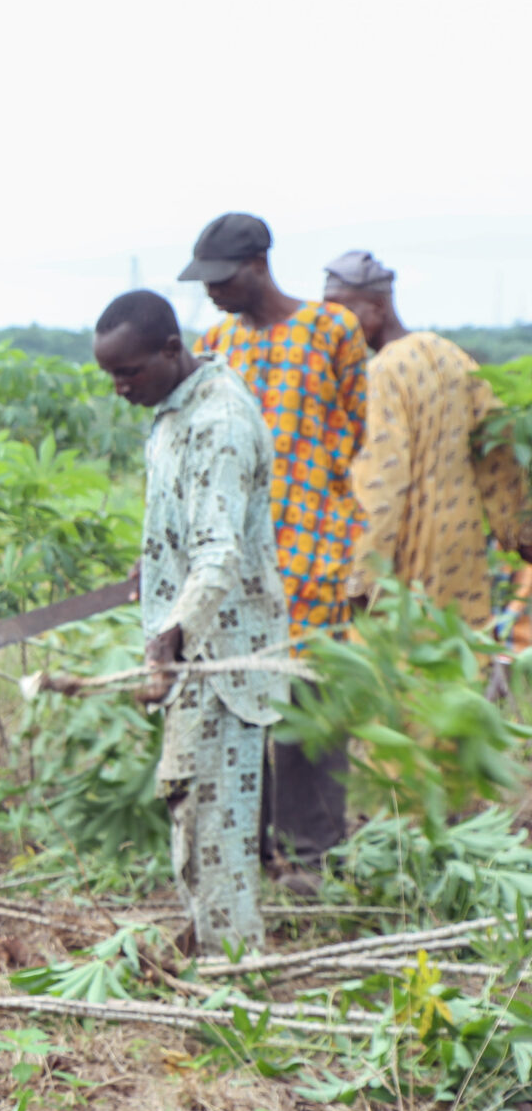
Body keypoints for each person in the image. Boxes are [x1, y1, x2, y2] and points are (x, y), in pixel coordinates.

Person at [94, 290, 288, 952]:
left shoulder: (221, 422)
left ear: (172, 351)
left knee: (217, 829)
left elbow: (219, 553)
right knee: (193, 812)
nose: (120, 388)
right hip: (193, 653)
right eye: (111, 376)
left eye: (130, 373)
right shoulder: (174, 410)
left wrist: (170, 637)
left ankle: (237, 972)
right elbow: (183, 525)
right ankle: (215, 951)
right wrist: (150, 573)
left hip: (224, 653)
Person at [180, 212, 365, 870]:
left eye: (221, 279)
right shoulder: (216, 342)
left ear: (258, 264)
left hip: (316, 550)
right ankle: (246, 849)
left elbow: (361, 432)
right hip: (239, 561)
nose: (212, 292)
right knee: (238, 703)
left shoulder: (331, 329)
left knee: (309, 710)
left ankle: (312, 856)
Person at [321, 249, 531, 623]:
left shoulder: (381, 373)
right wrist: (520, 528)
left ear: (376, 306)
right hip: (460, 551)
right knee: (457, 660)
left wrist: (363, 578)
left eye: (340, 308)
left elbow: (381, 485)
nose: (331, 322)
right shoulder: (449, 354)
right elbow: (498, 447)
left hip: (404, 559)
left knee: (405, 668)